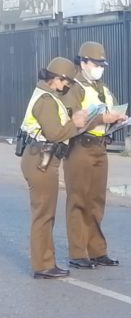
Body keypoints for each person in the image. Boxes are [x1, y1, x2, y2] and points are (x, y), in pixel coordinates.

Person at [19, 58, 88, 279]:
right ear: (57, 78)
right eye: (66, 82)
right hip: (41, 160)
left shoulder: (46, 95)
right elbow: (54, 133)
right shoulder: (46, 100)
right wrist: (75, 123)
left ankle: (46, 262)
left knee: (45, 213)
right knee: (43, 215)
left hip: (41, 158)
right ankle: (43, 265)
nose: (67, 87)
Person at [61, 41, 127, 270]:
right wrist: (101, 119)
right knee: (79, 200)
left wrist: (118, 117)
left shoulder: (102, 88)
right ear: (83, 62)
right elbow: (73, 121)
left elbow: (113, 107)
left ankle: (97, 250)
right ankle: (78, 253)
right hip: (80, 147)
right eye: (95, 64)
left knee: (96, 201)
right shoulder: (74, 88)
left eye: (101, 64)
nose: (99, 68)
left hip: (100, 146)